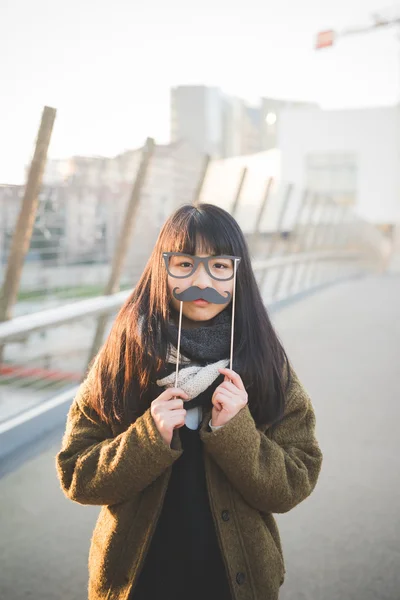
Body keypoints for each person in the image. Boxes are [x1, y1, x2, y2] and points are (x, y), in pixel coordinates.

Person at [56, 203, 323, 600]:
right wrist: (149, 436)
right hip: (139, 582)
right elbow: (77, 475)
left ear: (239, 274)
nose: (202, 281)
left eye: (219, 266)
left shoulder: (265, 362)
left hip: (235, 583)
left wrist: (236, 431)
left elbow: (293, 481)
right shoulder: (123, 358)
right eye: (184, 264)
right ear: (161, 268)